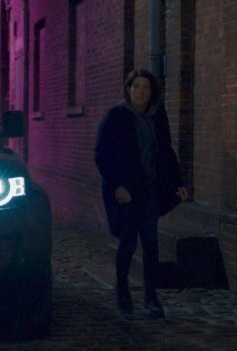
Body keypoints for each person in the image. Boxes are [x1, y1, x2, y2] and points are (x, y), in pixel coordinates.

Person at [94, 68, 188, 319]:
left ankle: (151, 297)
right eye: (136, 86)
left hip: (150, 189)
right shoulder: (116, 115)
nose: (141, 92)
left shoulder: (157, 115)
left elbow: (166, 150)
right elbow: (102, 154)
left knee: (151, 243)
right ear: (128, 89)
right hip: (126, 190)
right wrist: (117, 186)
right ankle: (123, 290)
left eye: (145, 87)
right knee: (128, 242)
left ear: (152, 91)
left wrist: (178, 180)